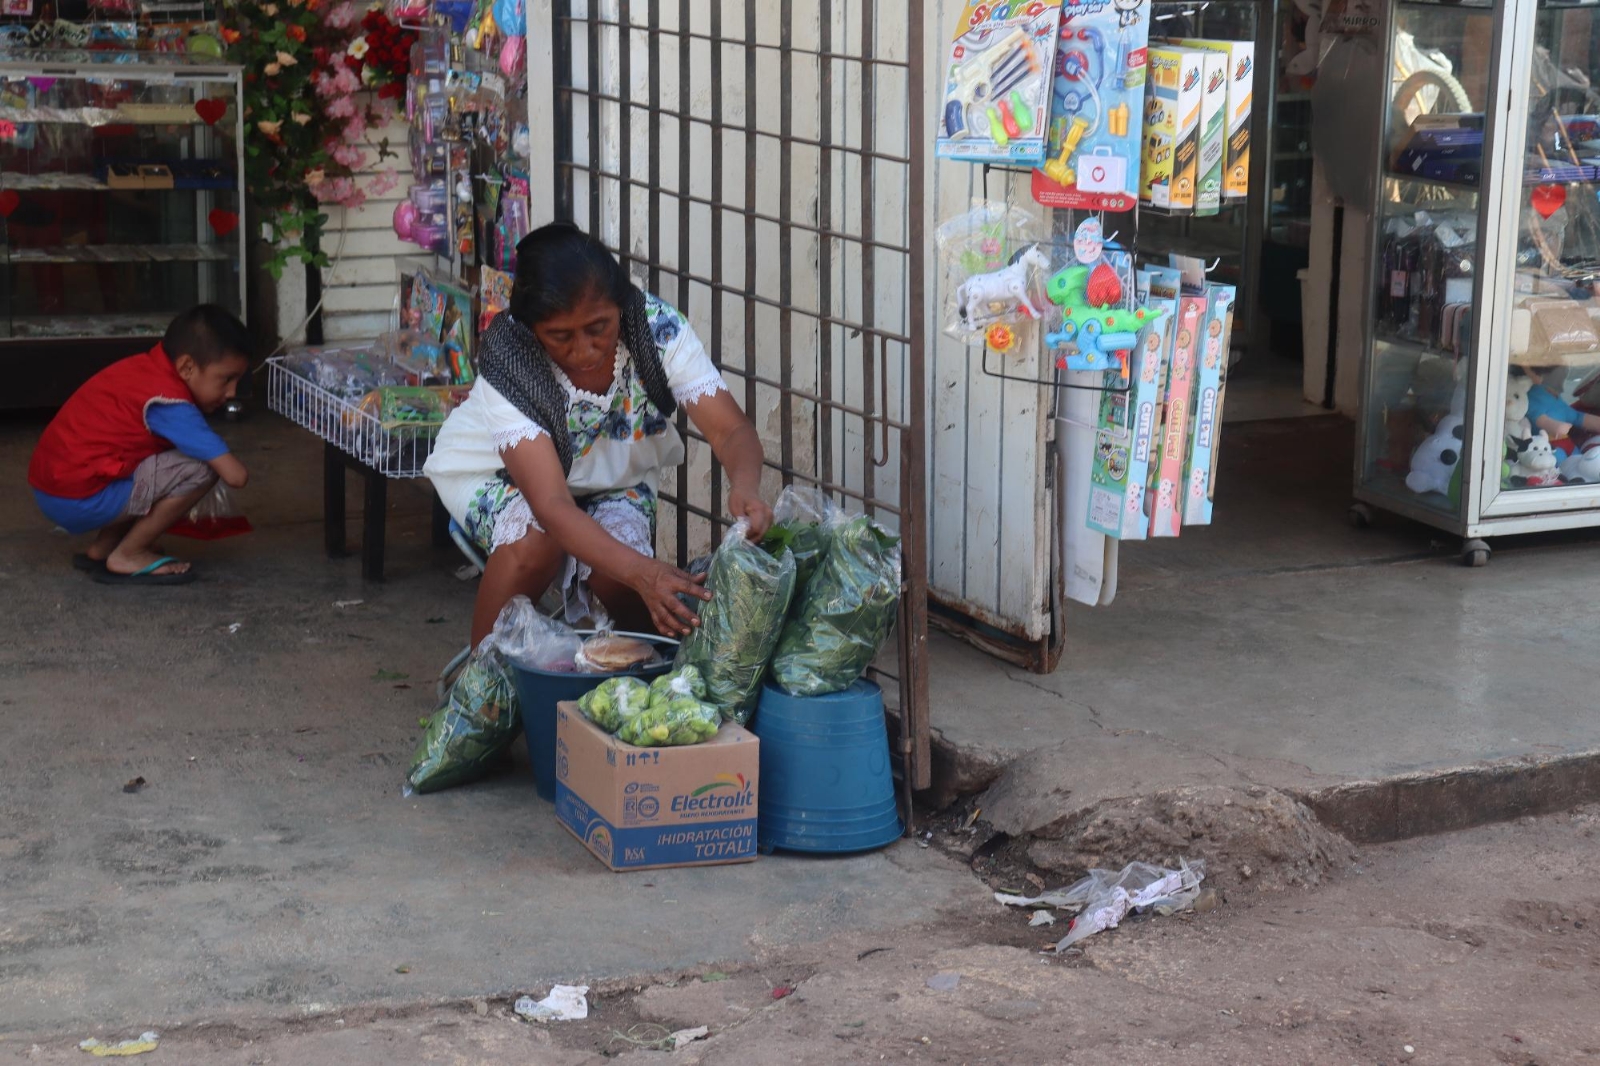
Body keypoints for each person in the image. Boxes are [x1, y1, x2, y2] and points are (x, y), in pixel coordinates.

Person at [425, 223, 773, 646]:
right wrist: (644, 571)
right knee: (537, 542)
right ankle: (481, 686)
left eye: (598, 328)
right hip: (498, 476)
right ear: (532, 328)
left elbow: (730, 428)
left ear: (620, 306)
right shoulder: (511, 359)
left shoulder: (654, 328)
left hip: (611, 481)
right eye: (561, 336)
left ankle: (643, 675)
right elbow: (551, 504)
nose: (585, 349)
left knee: (619, 572)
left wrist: (747, 485)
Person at [27, 305, 252, 586]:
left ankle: (103, 548)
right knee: (201, 469)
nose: (231, 393)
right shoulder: (172, 404)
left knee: (149, 461)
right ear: (187, 367)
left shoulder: (145, 369)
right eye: (226, 379)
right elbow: (236, 476)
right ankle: (130, 553)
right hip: (78, 498)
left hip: (53, 487)